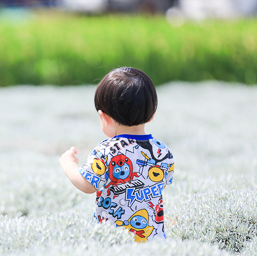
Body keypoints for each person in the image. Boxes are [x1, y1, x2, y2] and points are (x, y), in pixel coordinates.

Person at [59, 67, 174, 243]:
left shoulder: (106, 151)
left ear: (104, 117)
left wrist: (69, 165)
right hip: (153, 241)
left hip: (112, 241)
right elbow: (157, 185)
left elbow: (88, 185)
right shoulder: (163, 152)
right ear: (152, 115)